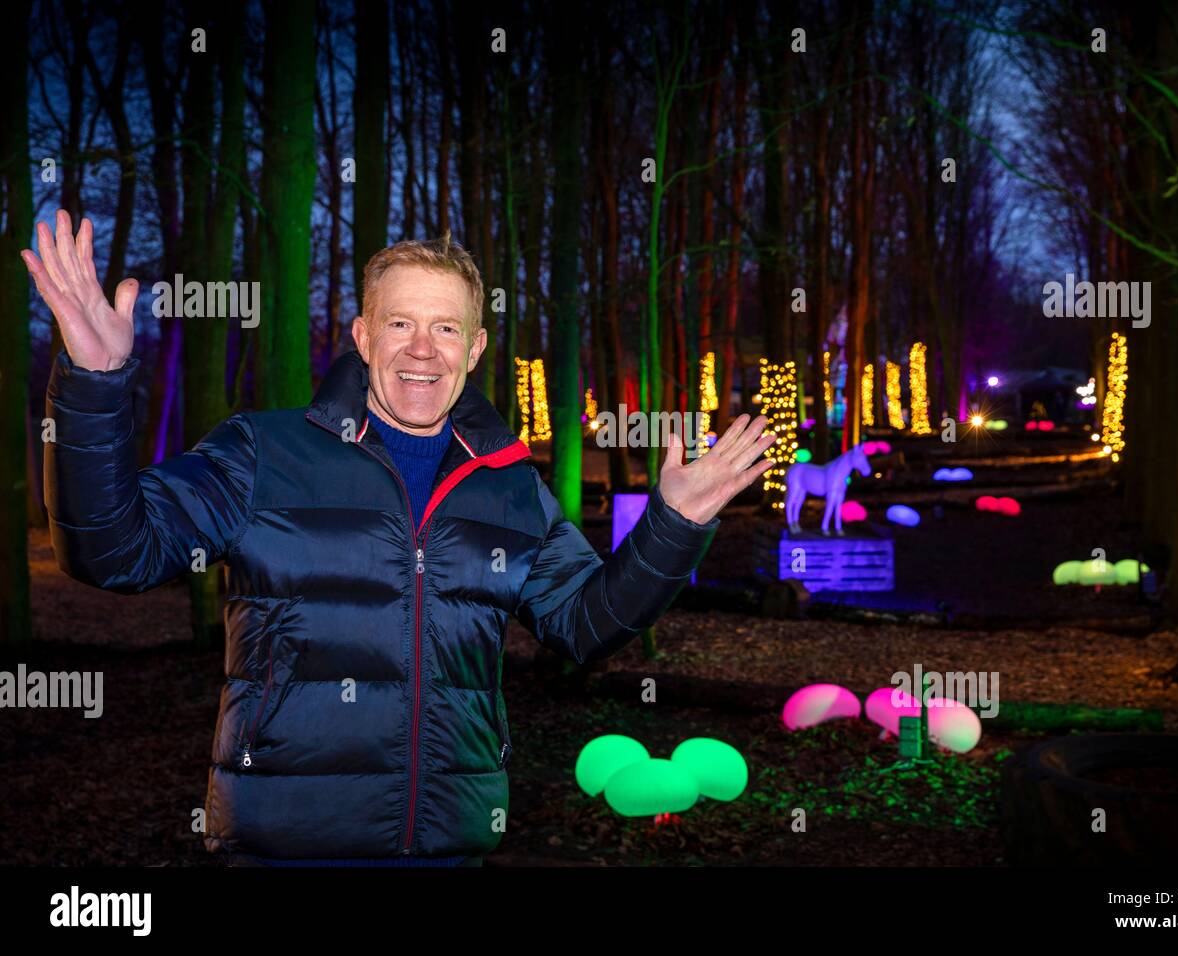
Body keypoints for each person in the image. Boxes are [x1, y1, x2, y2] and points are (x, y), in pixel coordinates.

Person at [21, 209, 776, 866]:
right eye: (401, 323)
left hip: (448, 845)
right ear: (361, 336)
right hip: (287, 850)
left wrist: (676, 525)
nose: (423, 348)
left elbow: (586, 625)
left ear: (475, 349)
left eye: (446, 327)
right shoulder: (263, 453)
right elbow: (111, 552)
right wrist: (93, 383)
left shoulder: (510, 485)